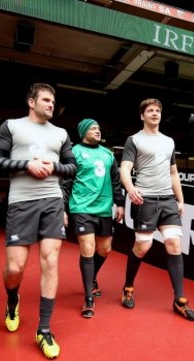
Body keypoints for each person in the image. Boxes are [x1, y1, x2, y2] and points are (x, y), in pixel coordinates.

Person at [0, 82, 77, 359]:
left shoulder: (61, 133)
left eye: (53, 101)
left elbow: (73, 167)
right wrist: (25, 164)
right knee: (15, 268)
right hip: (20, 202)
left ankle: (44, 329)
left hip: (51, 200)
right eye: (46, 100)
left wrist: (54, 167)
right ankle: (12, 300)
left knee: (50, 260)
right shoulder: (12, 126)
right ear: (32, 101)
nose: (51, 104)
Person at [118, 97, 194, 321]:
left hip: (168, 200)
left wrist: (180, 199)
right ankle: (128, 288)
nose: (154, 113)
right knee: (143, 247)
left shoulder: (169, 141)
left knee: (174, 244)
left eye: (157, 111)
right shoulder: (134, 140)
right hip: (146, 200)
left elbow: (174, 173)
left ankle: (179, 300)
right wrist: (130, 188)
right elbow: (125, 169)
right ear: (142, 115)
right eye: (150, 110)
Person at [62, 118, 125, 319]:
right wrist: (62, 208)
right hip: (81, 208)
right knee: (87, 249)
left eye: (98, 127)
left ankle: (92, 278)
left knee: (105, 249)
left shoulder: (108, 154)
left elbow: (115, 181)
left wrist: (120, 203)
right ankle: (89, 298)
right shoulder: (74, 153)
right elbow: (66, 182)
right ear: (83, 132)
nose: (97, 130)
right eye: (92, 128)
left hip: (104, 209)